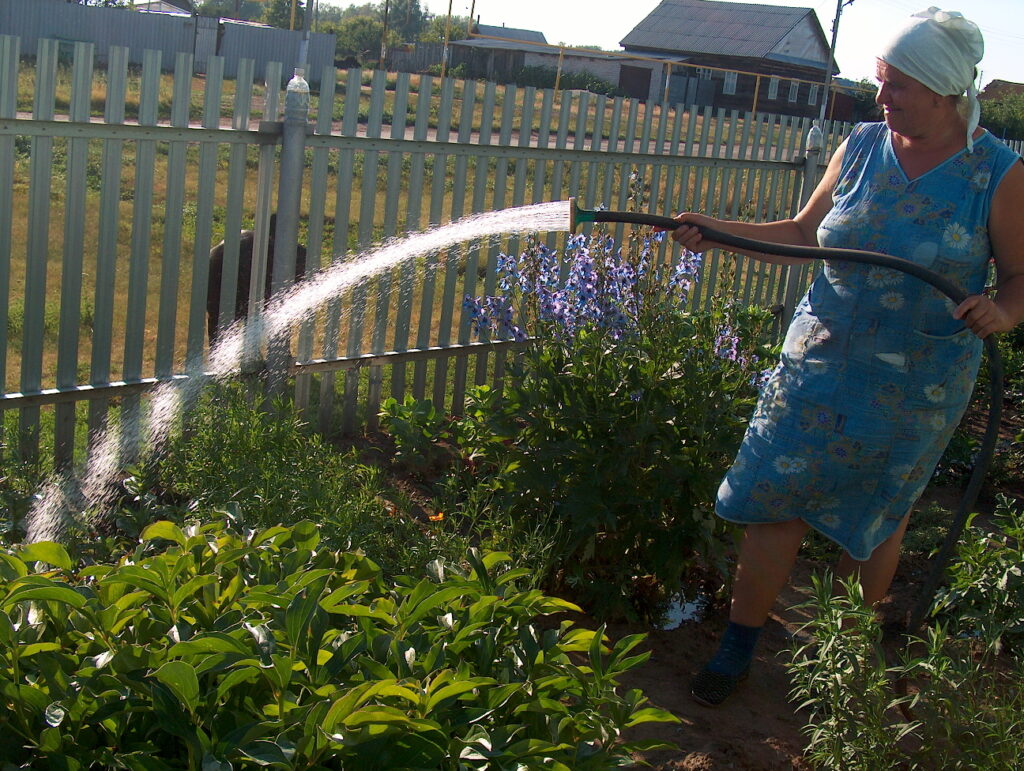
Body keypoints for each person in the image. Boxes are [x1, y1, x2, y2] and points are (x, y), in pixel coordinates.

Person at [670, 7, 1024, 707]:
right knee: (776, 499)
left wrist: (1004, 311)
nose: (881, 96)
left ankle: (836, 659)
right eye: (881, 81)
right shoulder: (861, 147)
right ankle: (739, 645)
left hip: (915, 384)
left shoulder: (997, 175)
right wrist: (716, 231)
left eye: (898, 85)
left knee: (874, 521)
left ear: (947, 90)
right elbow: (803, 232)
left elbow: (1021, 276)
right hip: (818, 362)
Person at [207, 213, 308, 346]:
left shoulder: (245, 239)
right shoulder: (292, 252)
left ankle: (219, 358)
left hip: (217, 280)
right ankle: (263, 357)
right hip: (239, 285)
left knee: (219, 321)